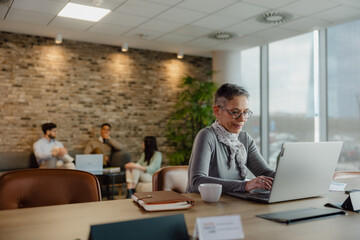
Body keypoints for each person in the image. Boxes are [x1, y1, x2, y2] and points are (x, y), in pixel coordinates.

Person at [186, 83, 275, 194]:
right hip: (204, 206)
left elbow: (265, 172)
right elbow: (197, 182)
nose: (242, 119)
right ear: (217, 111)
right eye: (235, 112)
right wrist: (245, 185)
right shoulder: (207, 136)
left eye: (245, 112)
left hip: (232, 204)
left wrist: (290, 177)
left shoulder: (244, 139)